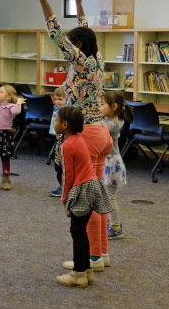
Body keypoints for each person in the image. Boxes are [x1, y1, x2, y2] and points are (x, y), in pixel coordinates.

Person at [39, 0, 112, 272]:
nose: (68, 50)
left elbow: (56, 34)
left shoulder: (81, 61)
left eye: (72, 46)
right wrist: (79, 3)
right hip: (101, 133)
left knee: (85, 198)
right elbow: (85, 32)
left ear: (78, 46)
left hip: (86, 136)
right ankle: (101, 253)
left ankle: (92, 257)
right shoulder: (98, 61)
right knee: (98, 194)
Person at [54, 106, 113, 288]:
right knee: (81, 231)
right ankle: (86, 270)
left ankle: (78, 273)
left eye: (56, 120)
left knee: (77, 232)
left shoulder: (67, 146)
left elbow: (68, 176)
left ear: (65, 124)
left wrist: (65, 199)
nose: (54, 123)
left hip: (81, 191)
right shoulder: (79, 140)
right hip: (92, 186)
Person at [101, 91, 132, 240]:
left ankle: (116, 227)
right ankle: (108, 223)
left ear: (114, 106)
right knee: (105, 195)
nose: (99, 107)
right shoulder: (108, 120)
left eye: (102, 105)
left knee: (109, 196)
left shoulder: (112, 124)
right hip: (107, 161)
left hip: (111, 163)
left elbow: (98, 128)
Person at [48, 87, 66, 197]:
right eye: (56, 99)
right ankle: (62, 186)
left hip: (66, 142)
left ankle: (65, 188)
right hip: (58, 142)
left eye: (60, 99)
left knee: (66, 167)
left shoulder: (68, 113)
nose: (57, 102)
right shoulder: (56, 109)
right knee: (58, 167)